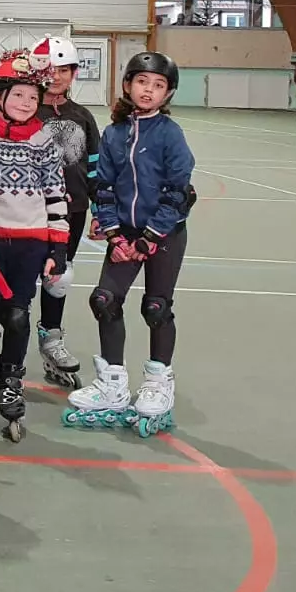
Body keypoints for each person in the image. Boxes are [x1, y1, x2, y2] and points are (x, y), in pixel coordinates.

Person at [65, 52, 195, 438]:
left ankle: (157, 381)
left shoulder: (170, 135)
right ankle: (113, 383)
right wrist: (116, 235)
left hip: (164, 235)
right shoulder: (115, 134)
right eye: (142, 83)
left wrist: (150, 237)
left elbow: (179, 190)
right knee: (104, 299)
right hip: (125, 234)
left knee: (156, 307)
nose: (148, 91)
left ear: (167, 93)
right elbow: (103, 186)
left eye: (158, 86)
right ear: (127, 85)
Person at [0, 49, 70, 442]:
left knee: (18, 317)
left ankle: (11, 380)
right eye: (18, 95)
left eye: (32, 98)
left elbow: (56, 195)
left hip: (29, 243)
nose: (26, 104)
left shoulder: (44, 142)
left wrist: (58, 247)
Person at [33, 35, 101, 390]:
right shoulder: (24, 109)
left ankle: (52, 339)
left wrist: (101, 211)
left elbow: (94, 168)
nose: (56, 76)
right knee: (12, 277)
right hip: (27, 209)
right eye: (49, 69)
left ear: (74, 73)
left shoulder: (83, 117)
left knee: (58, 277)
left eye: (64, 69)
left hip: (72, 210)